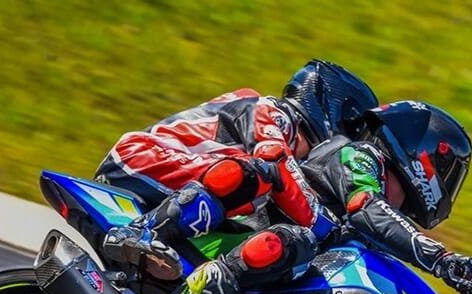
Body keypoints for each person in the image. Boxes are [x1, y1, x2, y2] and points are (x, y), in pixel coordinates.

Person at [133, 100, 472, 294]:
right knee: (294, 240)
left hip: (272, 279)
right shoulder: (361, 157)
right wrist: (441, 259)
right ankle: (156, 249)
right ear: (423, 155)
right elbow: (366, 207)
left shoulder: (372, 229)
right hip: (236, 238)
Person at [95, 59, 379, 280]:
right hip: (140, 158)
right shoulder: (275, 114)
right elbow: (276, 163)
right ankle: (142, 234)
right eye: (354, 131)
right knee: (258, 174)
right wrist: (325, 226)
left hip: (161, 172)